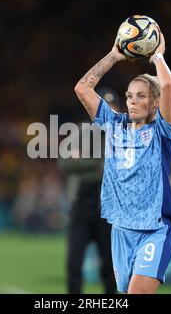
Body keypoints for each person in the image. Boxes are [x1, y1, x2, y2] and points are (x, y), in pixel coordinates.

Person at [74, 30, 171, 294]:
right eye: (130, 95)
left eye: (141, 96)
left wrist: (157, 55)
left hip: (154, 229)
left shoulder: (161, 133)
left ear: (155, 104)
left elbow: (166, 86)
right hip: (120, 229)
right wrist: (113, 56)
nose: (133, 101)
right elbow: (82, 88)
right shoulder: (113, 126)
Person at [58, 123, 116, 294]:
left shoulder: (121, 135)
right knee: (74, 262)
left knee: (110, 264)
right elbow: (65, 164)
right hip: (80, 209)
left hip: (107, 211)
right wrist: (99, 162)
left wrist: (82, 162)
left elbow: (117, 168)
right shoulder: (81, 133)